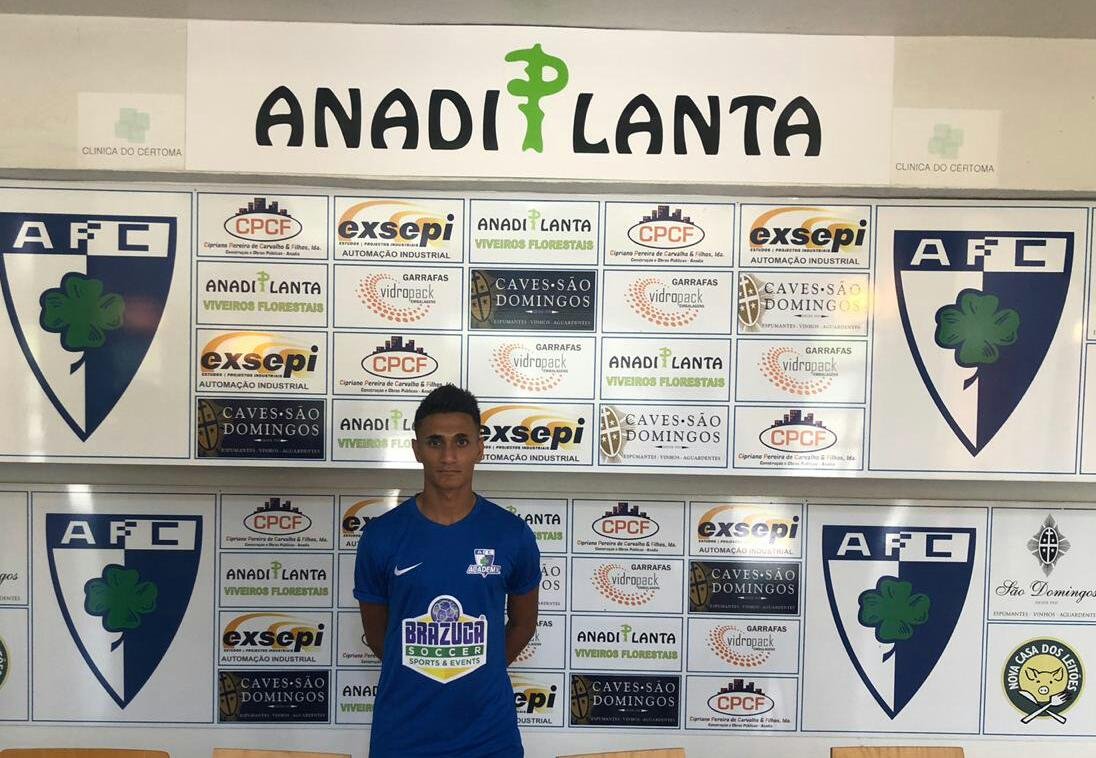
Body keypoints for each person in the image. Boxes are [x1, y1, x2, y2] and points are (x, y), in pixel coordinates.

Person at [355, 384, 541, 758]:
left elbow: (523, 624)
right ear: (416, 449)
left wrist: (481, 666)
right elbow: (379, 636)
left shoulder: (511, 534)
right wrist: (427, 666)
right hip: (403, 738)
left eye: (461, 441)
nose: (449, 456)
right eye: (435, 442)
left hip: (490, 739)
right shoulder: (381, 536)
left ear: (479, 448)